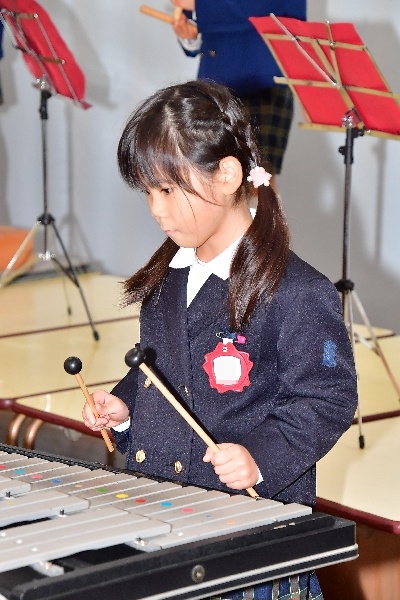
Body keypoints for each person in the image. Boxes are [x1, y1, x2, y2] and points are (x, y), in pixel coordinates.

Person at [82, 80, 358, 600]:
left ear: (227, 175)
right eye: (148, 193)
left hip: (250, 543)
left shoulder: (297, 291)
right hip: (167, 521)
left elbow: (327, 399)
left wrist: (260, 456)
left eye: (168, 190)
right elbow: (163, 372)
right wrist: (126, 404)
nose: (156, 209)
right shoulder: (167, 279)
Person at [170, 0, 307, 189]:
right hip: (214, 85)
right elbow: (203, 28)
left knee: (257, 179)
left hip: (262, 81)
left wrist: (198, 5)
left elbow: (255, 7)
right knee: (211, 176)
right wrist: (190, 35)